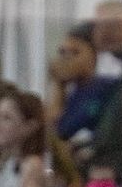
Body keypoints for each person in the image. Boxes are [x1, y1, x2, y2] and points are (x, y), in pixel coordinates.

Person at [48, 22, 115, 151]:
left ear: (94, 55)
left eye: (75, 52)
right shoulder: (72, 93)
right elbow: (51, 133)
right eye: (62, 52)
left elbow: (66, 132)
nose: (66, 58)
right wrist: (58, 86)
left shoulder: (106, 88)